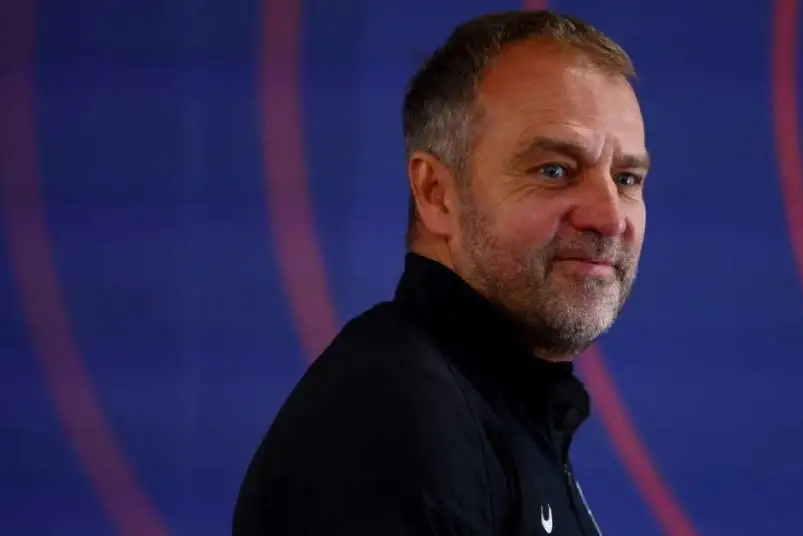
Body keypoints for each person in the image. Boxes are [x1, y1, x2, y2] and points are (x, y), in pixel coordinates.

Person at [233, 9, 649, 535]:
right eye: (554, 171)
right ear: (436, 194)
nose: (609, 217)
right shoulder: (393, 419)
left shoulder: (495, 412)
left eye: (626, 178)